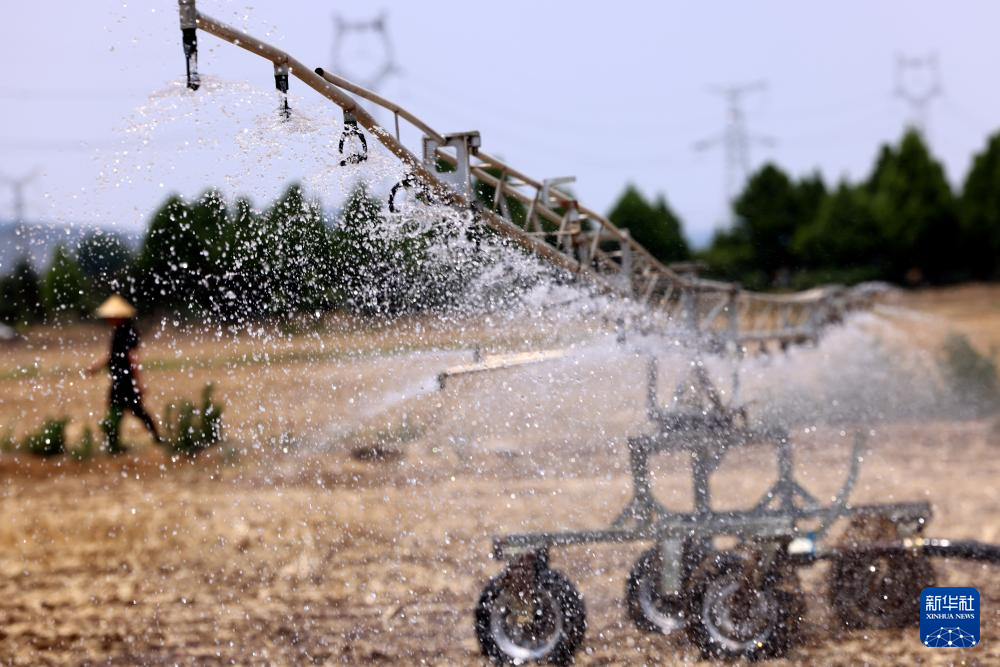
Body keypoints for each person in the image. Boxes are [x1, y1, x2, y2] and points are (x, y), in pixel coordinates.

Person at [85, 295, 161, 453]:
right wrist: (96, 367)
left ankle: (118, 444)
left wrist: (139, 383)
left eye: (111, 316)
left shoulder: (129, 332)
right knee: (119, 409)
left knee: (133, 410)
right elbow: (112, 355)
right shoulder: (118, 331)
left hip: (125, 380)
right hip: (119, 379)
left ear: (119, 316)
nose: (108, 319)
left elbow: (132, 357)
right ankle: (115, 443)